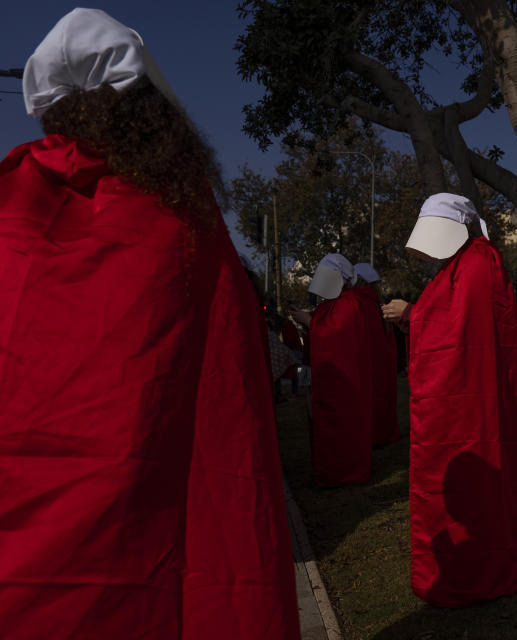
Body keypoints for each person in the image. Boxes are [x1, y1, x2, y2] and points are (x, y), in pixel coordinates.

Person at [0, 9, 299, 639]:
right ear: (149, 110)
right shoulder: (181, 212)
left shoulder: (10, 196)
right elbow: (225, 374)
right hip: (147, 500)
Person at [382, 193, 517, 608]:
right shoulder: (471, 265)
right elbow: (452, 321)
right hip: (474, 402)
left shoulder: (476, 266)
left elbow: (451, 329)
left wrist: (412, 314)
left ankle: (472, 568)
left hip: (467, 408)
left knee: (470, 485)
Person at [305, 253, 374, 485]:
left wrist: (309, 322)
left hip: (347, 381)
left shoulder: (351, 303)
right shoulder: (333, 306)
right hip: (329, 381)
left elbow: (334, 334)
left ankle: (347, 472)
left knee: (346, 424)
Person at [354, 262, 401, 445]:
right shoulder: (378, 303)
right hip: (384, 362)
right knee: (385, 399)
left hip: (369, 362)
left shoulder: (359, 302)